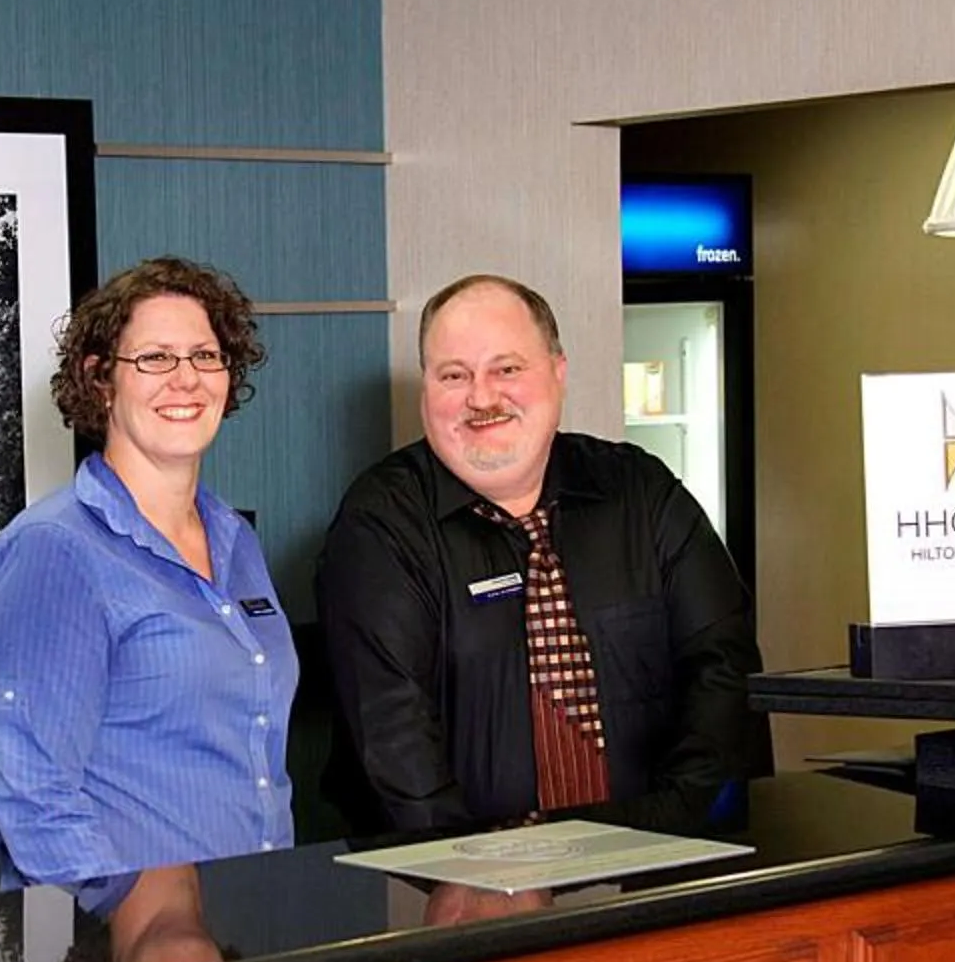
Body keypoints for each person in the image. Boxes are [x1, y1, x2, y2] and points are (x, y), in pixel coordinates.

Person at [316, 272, 765, 835]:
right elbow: (391, 735)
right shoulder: (379, 525)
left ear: (558, 371)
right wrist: (472, 871)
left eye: (507, 369)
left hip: (656, 855)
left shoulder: (641, 490)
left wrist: (669, 830)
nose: (482, 398)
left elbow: (722, 666)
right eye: (454, 375)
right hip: (453, 875)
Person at [0, 257, 295, 962]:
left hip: (250, 932)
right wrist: (139, 931)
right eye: (154, 358)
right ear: (100, 380)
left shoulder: (234, 541)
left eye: (204, 356)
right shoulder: (55, 551)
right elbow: (34, 794)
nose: (186, 379)